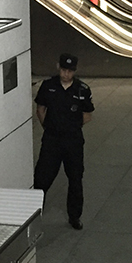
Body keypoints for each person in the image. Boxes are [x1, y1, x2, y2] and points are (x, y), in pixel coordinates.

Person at [34, 53, 94, 230]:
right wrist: (50, 127)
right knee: (42, 178)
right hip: (52, 140)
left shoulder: (82, 89)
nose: (66, 74)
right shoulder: (48, 86)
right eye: (63, 70)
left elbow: (87, 115)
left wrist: (71, 127)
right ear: (58, 67)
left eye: (70, 71)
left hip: (73, 141)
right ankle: (34, 216)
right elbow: (40, 109)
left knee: (75, 179)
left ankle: (74, 217)